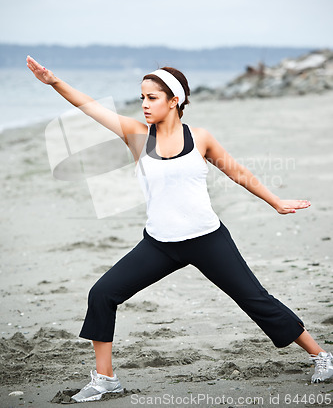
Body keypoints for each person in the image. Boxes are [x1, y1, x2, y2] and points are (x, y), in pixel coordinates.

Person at [26, 56, 333, 402]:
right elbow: (88, 107)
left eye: (152, 98)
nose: (144, 104)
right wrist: (54, 82)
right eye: (141, 97)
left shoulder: (200, 138)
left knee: (254, 298)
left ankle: (321, 355)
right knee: (102, 294)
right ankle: (105, 379)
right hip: (160, 243)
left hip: (207, 238)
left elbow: (238, 173)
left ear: (175, 100)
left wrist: (275, 201)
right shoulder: (136, 135)